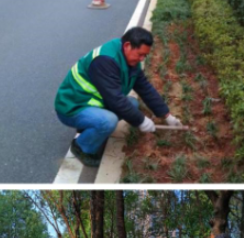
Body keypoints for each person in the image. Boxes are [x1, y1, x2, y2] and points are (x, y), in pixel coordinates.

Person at [54, 27, 182, 167]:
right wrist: (141, 121)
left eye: (145, 56)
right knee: (108, 121)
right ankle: (81, 147)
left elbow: (145, 88)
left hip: (93, 102)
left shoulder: (128, 57)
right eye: (140, 54)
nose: (142, 59)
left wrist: (167, 115)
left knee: (132, 104)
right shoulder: (105, 61)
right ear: (127, 46)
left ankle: (89, 127)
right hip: (72, 106)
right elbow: (116, 100)